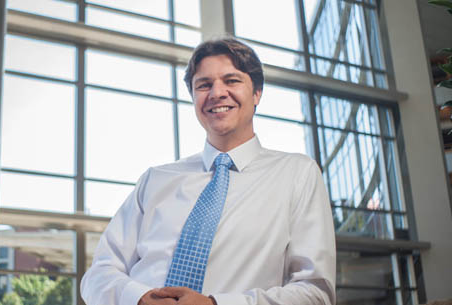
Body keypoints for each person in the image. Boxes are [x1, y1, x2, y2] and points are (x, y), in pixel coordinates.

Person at [80, 38, 336, 305]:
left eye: (232, 80)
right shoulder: (155, 179)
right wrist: (140, 298)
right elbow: (98, 274)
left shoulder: (297, 174)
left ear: (257, 93)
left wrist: (215, 304)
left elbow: (315, 293)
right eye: (204, 85)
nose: (217, 93)